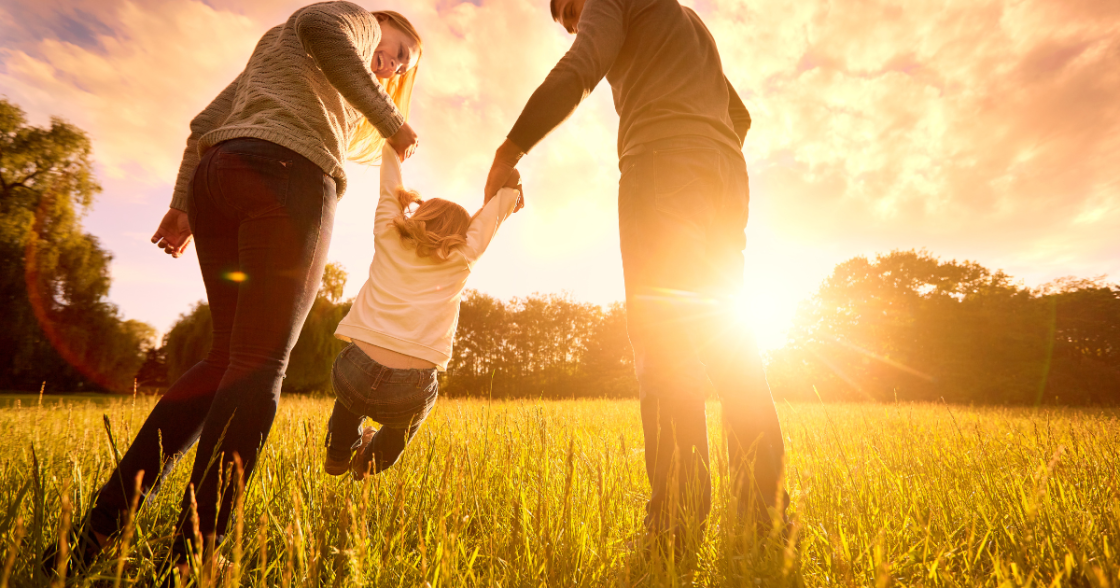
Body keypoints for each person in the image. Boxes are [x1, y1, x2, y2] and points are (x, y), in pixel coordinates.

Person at [43, 2, 423, 580]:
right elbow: (324, 28)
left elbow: (202, 124)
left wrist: (180, 206)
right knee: (260, 364)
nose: (392, 67)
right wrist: (390, 119)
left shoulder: (279, 54)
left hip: (218, 179)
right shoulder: (351, 18)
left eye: (401, 68)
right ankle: (193, 557)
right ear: (380, 23)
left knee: (224, 359)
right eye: (397, 50)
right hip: (289, 176)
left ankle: (96, 530)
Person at [483, 0, 787, 545]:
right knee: (731, 345)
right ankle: (763, 521)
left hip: (661, 168)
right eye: (568, 23)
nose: (576, 25)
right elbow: (739, 116)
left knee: (664, 345)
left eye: (572, 12)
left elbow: (580, 70)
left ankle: (675, 525)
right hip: (725, 177)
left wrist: (510, 150)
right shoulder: (686, 18)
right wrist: (702, 151)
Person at [325, 143, 523, 480]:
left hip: (355, 369)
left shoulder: (389, 234)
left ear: (419, 215)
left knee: (350, 398)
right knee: (404, 425)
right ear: (461, 234)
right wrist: (509, 193)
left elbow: (389, 188)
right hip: (410, 386)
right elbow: (491, 218)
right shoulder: (463, 256)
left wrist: (393, 150)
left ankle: (339, 452)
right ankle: (371, 461)